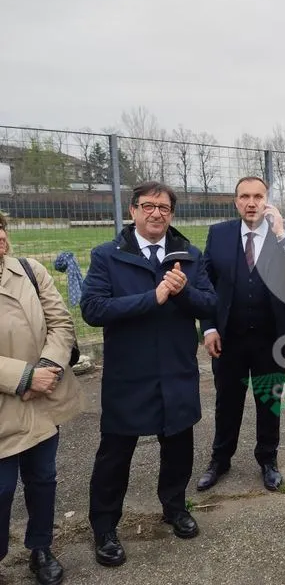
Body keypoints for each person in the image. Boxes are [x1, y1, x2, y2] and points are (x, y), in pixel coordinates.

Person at [80, 182, 216, 568]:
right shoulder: (108, 255)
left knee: (178, 447)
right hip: (129, 374)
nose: (156, 213)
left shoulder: (188, 254)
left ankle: (174, 507)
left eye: (164, 207)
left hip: (176, 370)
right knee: (115, 454)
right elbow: (92, 309)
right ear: (133, 212)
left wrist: (184, 291)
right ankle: (105, 528)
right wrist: (152, 297)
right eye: (148, 206)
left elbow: (211, 302)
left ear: (172, 214)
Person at [196, 176, 285, 492]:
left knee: (268, 399)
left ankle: (267, 460)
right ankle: (220, 459)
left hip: (271, 338)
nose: (251, 203)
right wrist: (209, 327)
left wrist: (282, 234)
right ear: (236, 202)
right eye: (244, 196)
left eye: (258, 196)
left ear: (267, 200)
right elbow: (205, 284)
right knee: (227, 401)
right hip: (228, 338)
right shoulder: (219, 235)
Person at [0, 213, 82, 585]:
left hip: (41, 400)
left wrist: (46, 369)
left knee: (43, 479)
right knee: (1, 489)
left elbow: (61, 323)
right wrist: (23, 377)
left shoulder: (29, 271)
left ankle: (41, 548)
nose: (0, 236)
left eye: (0, 227)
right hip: (7, 402)